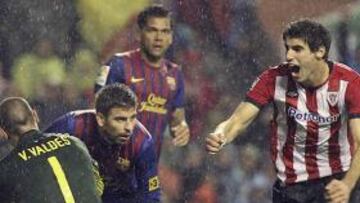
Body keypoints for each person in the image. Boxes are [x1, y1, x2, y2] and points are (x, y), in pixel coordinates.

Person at [206, 19, 360, 203]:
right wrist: (221, 134)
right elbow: (238, 120)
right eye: (287, 48)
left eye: (297, 49)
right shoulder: (273, 79)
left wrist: (348, 185)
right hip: (291, 187)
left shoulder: (349, 83)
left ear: (320, 51)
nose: (288, 55)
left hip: (337, 181)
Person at [94, 5, 190, 159]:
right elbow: (96, 111)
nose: (158, 37)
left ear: (171, 37)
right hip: (110, 164)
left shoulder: (175, 74)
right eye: (152, 30)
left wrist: (182, 129)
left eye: (164, 31)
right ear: (139, 34)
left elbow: (177, 119)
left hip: (147, 169)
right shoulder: (117, 65)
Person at [45, 83, 160, 203]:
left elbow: (150, 196)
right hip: (76, 194)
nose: (129, 127)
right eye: (120, 119)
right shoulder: (72, 126)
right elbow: (36, 155)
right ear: (100, 119)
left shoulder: (142, 142)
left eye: (132, 118)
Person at [0, 97, 103, 203]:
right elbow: (98, 187)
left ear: (2, 132)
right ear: (35, 115)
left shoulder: (5, 170)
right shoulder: (75, 143)